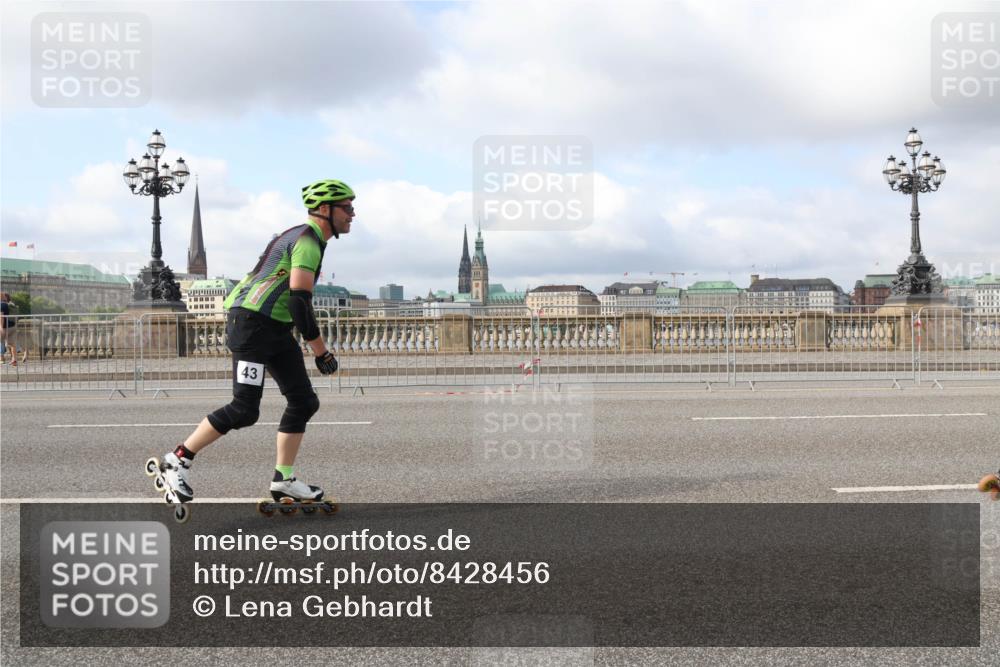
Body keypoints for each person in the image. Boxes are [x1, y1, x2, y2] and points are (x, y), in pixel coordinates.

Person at [152, 179, 355, 504]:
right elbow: (299, 303)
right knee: (245, 409)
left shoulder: (300, 236)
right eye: (346, 207)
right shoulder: (307, 241)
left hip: (274, 328)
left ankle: (283, 480)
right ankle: (177, 460)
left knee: (304, 401)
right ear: (324, 209)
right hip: (251, 325)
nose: (352, 214)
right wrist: (321, 352)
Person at [0, 293, 18, 367]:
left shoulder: (1, 305)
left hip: (5, 327)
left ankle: (1, 357)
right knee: (12, 344)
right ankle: (14, 360)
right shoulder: (9, 304)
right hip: (12, 326)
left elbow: (1, 316)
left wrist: (1, 327)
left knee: (2, 342)